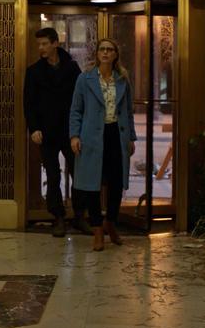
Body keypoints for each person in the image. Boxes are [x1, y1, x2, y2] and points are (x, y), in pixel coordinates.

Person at [69, 38, 137, 251]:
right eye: (102, 50)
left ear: (115, 54)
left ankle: (111, 223)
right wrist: (74, 136)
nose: (105, 53)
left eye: (110, 50)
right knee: (92, 184)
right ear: (97, 54)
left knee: (116, 183)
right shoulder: (85, 79)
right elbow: (76, 110)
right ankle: (97, 229)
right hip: (91, 136)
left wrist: (131, 138)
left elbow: (128, 111)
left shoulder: (122, 79)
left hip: (116, 134)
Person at [23, 27, 89, 238]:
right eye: (39, 44)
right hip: (47, 132)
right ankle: (58, 217)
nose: (40, 48)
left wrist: (79, 130)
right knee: (53, 176)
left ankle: (80, 216)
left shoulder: (72, 68)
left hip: (70, 131)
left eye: (44, 44)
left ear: (55, 43)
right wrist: (33, 129)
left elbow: (81, 101)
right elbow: (29, 104)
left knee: (78, 175)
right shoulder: (34, 71)